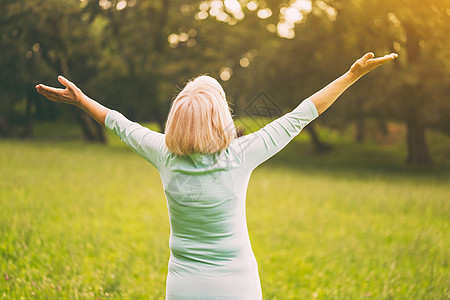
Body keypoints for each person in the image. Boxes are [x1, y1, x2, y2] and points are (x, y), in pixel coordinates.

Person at [36, 52, 398, 299]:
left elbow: (117, 122)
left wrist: (81, 100)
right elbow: (304, 113)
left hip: (183, 288)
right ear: (221, 117)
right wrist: (350, 76)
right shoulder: (240, 155)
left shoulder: (162, 152)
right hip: (237, 288)